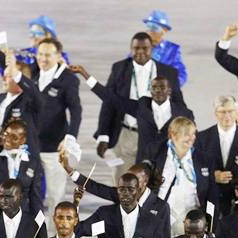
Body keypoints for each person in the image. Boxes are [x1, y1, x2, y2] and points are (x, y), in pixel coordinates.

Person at [0, 29, 81, 213]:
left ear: (58, 55)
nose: (43, 59)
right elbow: (8, 67)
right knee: (27, 194)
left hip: (54, 148)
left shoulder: (69, 79)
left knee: (55, 196)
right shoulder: (32, 71)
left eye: (48, 55)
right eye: (40, 54)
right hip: (29, 149)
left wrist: (69, 138)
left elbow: (76, 111)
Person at [92, 32, 187, 177]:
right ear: (131, 49)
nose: (140, 52)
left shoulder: (169, 73)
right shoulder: (119, 68)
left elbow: (179, 104)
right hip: (126, 135)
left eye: (145, 48)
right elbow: (109, 102)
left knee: (153, 179)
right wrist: (103, 135)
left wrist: (185, 133)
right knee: (123, 180)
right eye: (136, 48)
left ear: (152, 49)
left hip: (155, 137)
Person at [72, 64, 192, 165]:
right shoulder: (142, 107)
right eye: (155, 87)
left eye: (162, 87)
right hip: (145, 166)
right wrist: (85, 74)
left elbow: (192, 138)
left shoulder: (183, 113)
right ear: (150, 91)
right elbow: (111, 98)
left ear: (169, 91)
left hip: (171, 165)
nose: (158, 90)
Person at [62, 154, 170, 238]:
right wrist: (70, 171)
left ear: (145, 182)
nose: (128, 182)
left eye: (134, 179)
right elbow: (97, 188)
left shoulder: (161, 207)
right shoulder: (119, 198)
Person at [196, 95, 238, 218]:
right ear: (216, 113)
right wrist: (213, 176)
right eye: (222, 112)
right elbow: (196, 168)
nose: (227, 115)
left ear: (237, 112)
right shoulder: (202, 138)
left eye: (231, 111)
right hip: (210, 200)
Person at [155, 117, 216, 237]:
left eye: (193, 134)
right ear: (173, 135)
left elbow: (211, 193)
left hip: (191, 217)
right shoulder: (156, 152)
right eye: (187, 134)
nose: (192, 138)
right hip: (162, 216)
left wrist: (210, 223)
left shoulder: (203, 158)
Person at [142, 10, 187, 87]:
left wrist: (170, 87)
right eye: (148, 27)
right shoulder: (139, 47)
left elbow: (181, 74)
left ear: (164, 31)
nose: (149, 32)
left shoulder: (172, 50)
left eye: (154, 28)